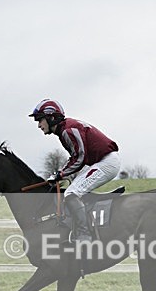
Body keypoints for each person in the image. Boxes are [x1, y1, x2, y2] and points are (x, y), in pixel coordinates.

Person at [29, 99, 120, 243]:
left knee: (71, 193)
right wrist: (63, 173)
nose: (39, 125)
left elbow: (80, 157)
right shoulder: (64, 129)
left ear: (51, 118)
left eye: (40, 120)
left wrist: (61, 174)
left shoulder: (67, 130)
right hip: (101, 161)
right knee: (73, 189)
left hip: (106, 162)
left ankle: (85, 235)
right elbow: (77, 157)